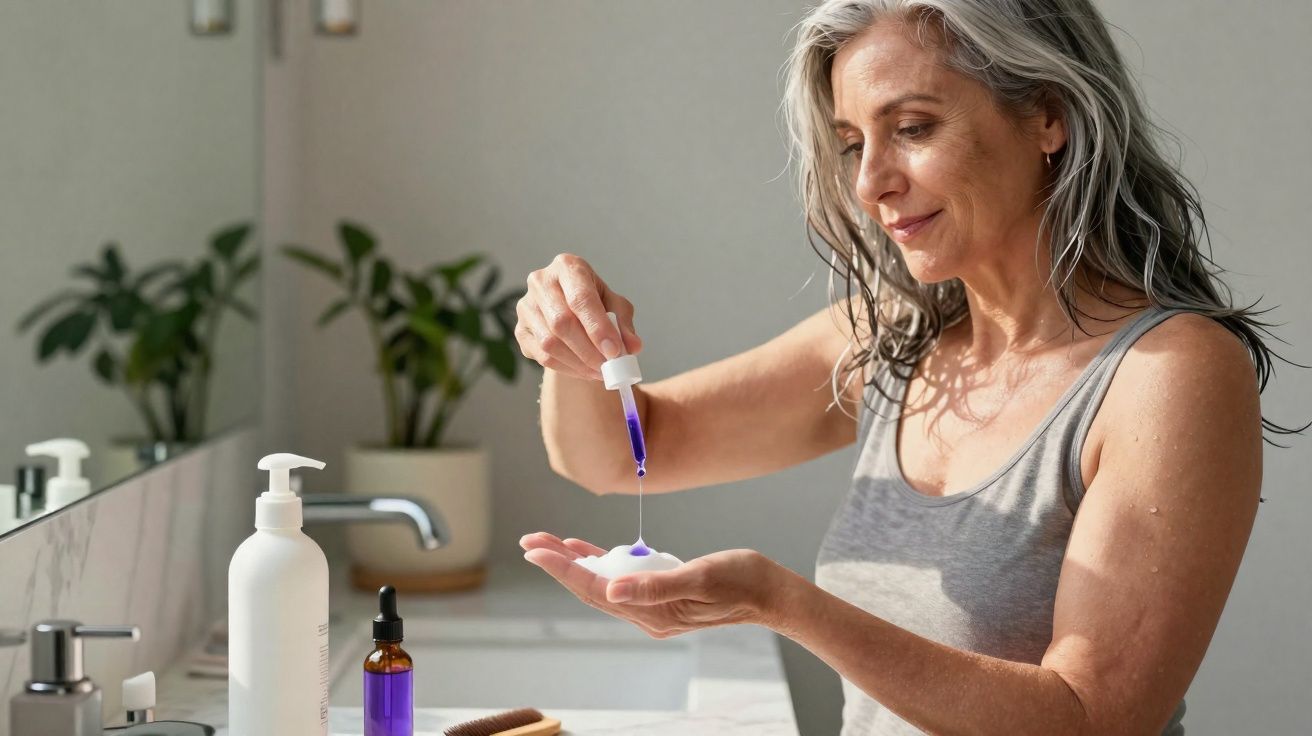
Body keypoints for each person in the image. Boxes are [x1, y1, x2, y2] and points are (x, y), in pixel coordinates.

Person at [515, 1, 1302, 733]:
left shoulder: (1169, 374)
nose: (869, 182)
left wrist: (780, 603)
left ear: (1048, 116)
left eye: (914, 128)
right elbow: (616, 453)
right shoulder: (892, 337)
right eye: (854, 142)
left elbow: (1090, 716)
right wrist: (575, 346)